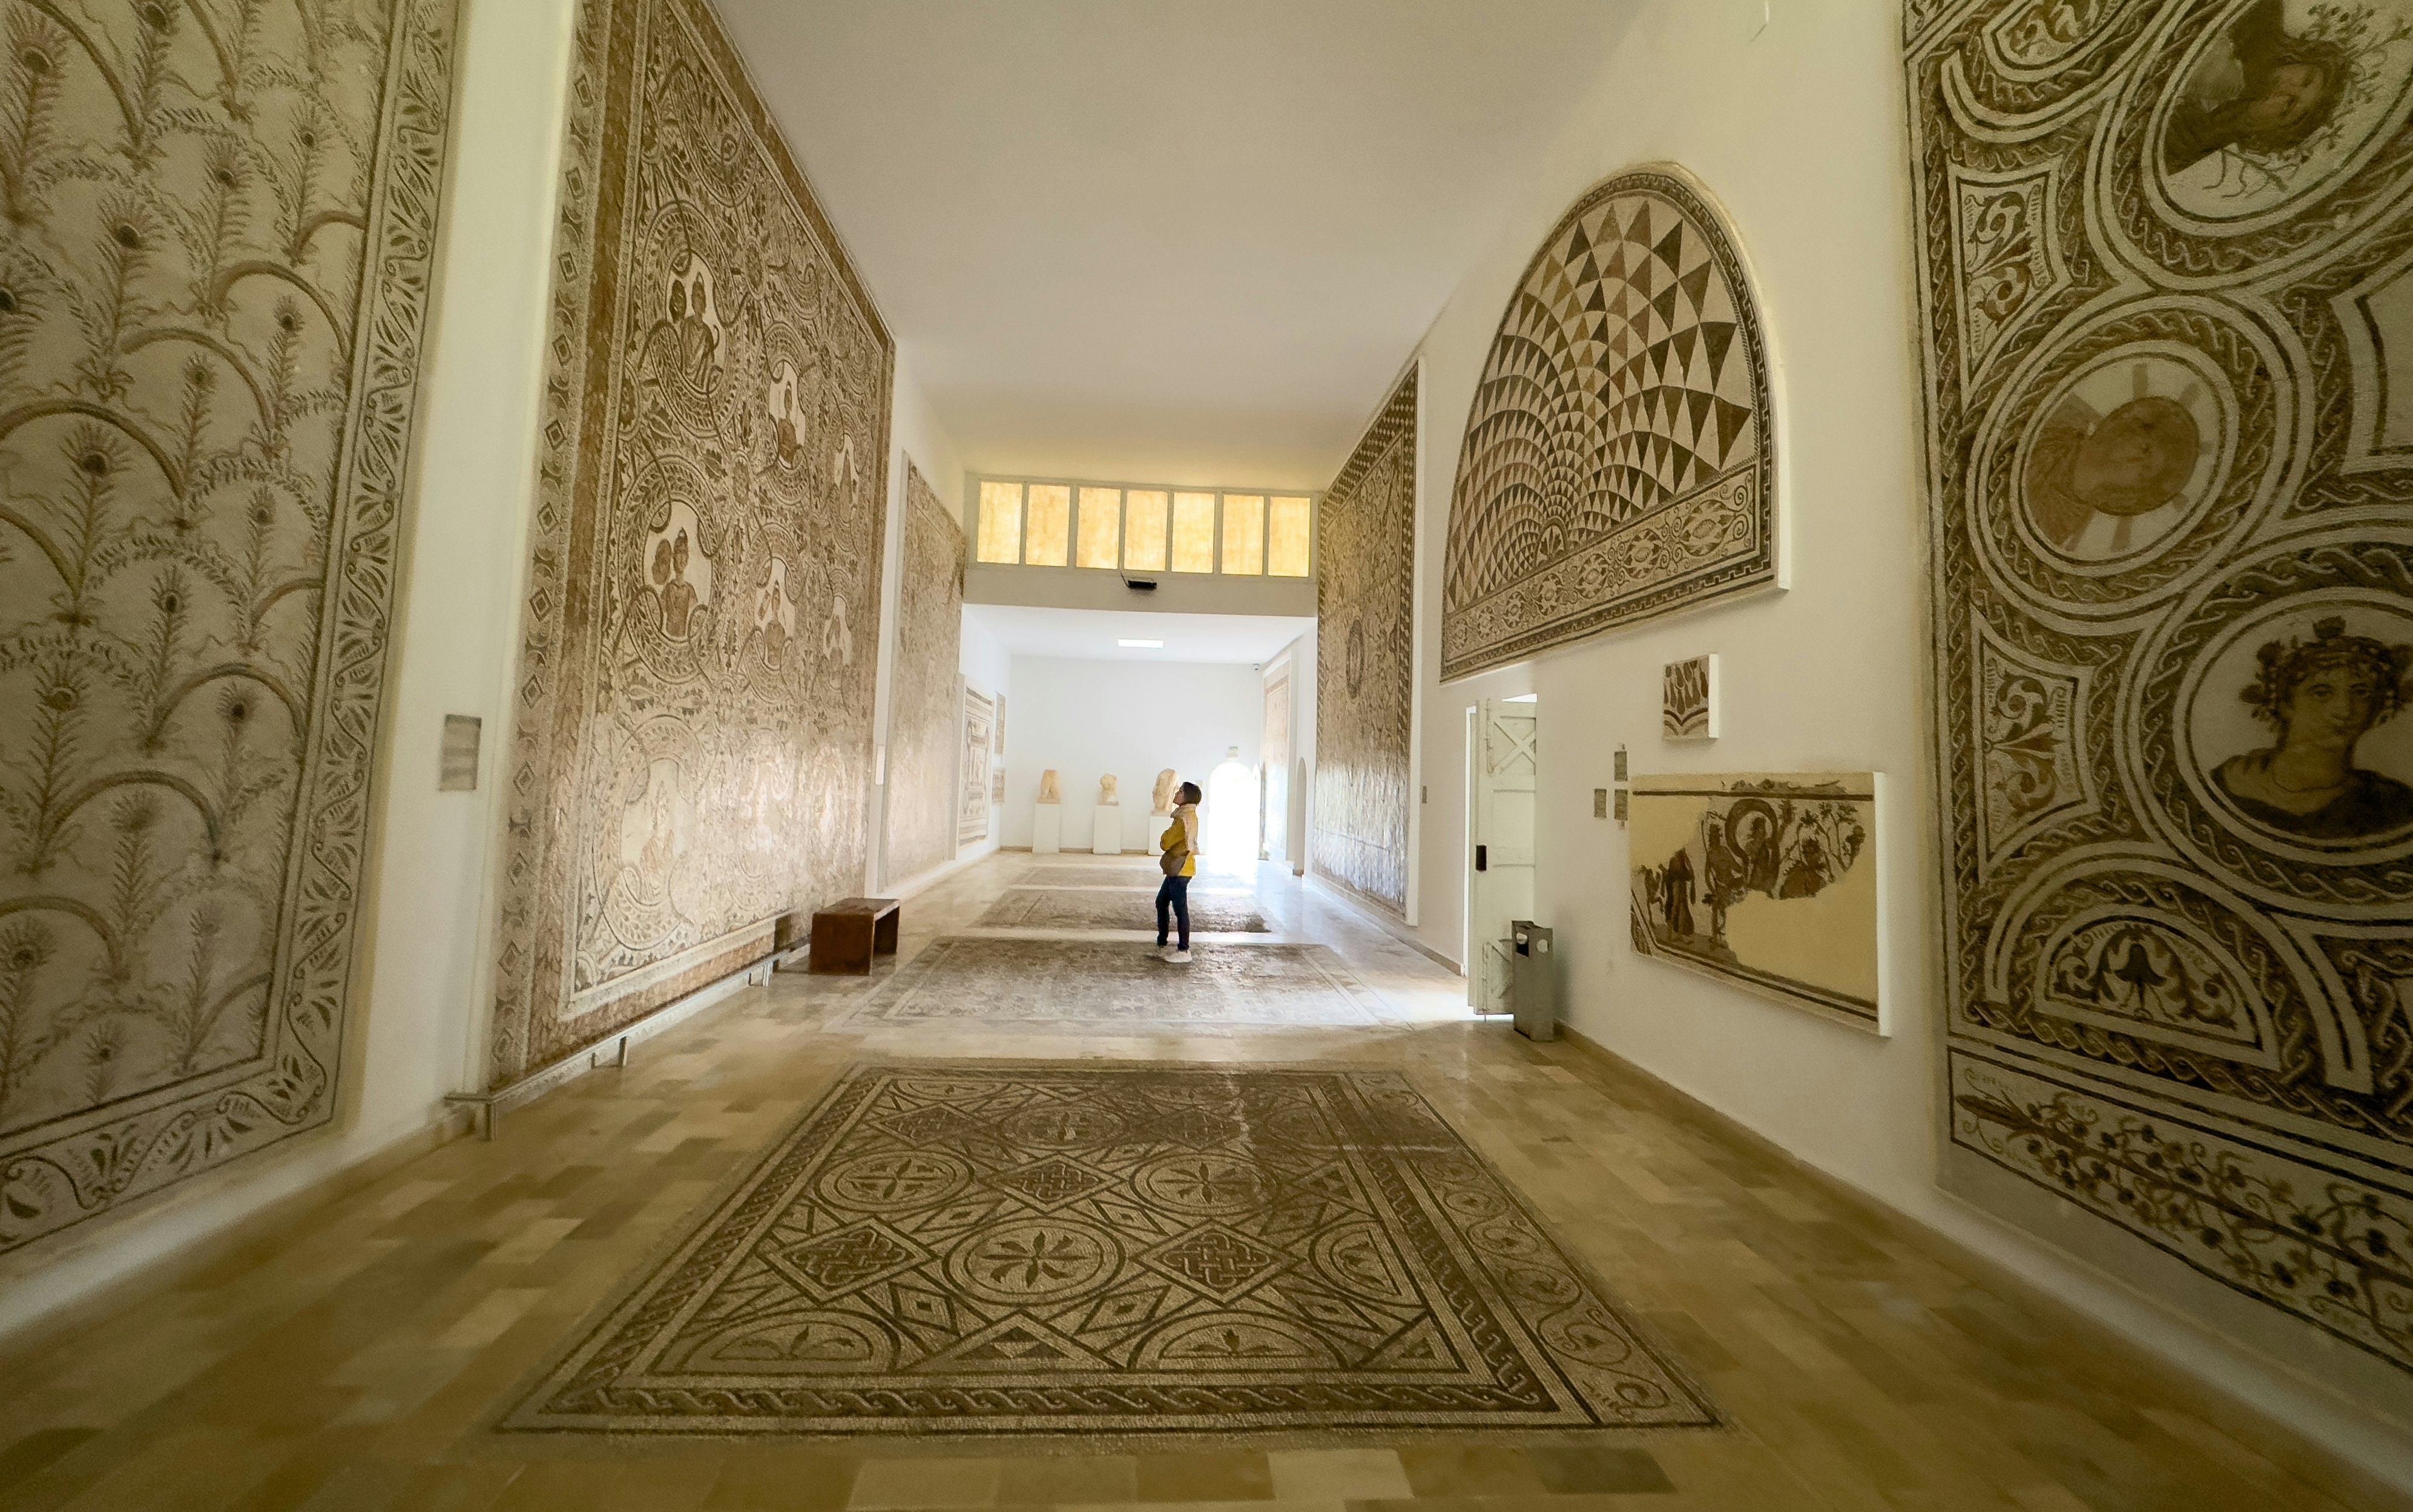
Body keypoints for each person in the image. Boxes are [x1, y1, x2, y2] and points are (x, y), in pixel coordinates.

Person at [2213, 617, 2413, 840]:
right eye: (2321, 692)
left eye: (2361, 693)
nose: (2344, 711)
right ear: (2285, 704)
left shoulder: (2393, 804)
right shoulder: (2226, 784)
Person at [1154, 780, 1202, 964]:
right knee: (1162, 902)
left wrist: (1165, 836)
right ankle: (1162, 941)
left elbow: (1166, 842)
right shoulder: (1188, 815)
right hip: (1181, 868)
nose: (1177, 793)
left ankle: (1184, 950)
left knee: (1180, 909)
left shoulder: (1182, 819)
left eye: (1181, 791)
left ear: (1186, 797)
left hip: (1180, 868)